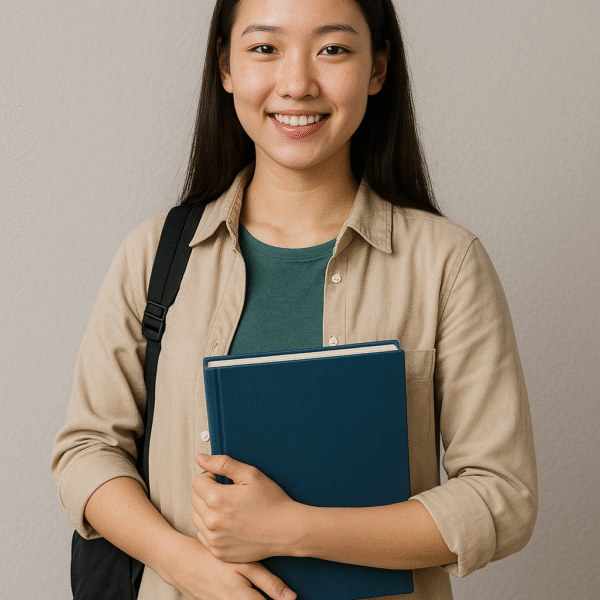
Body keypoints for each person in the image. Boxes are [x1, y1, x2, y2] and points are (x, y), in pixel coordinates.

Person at [51, 0, 538, 599]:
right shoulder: (154, 254)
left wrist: (292, 528)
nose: (298, 83)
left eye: (333, 49)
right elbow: (86, 453)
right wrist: (186, 565)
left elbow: (500, 495)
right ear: (225, 68)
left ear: (378, 69)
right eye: (264, 48)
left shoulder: (447, 262)